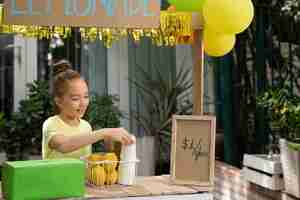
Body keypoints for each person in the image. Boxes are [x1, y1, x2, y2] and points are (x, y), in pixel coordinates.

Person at [42, 60, 134, 159]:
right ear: (58, 101)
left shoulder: (86, 126)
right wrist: (104, 132)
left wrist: (109, 144)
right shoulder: (51, 124)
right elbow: (64, 145)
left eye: (86, 96)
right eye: (75, 99)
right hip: (57, 175)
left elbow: (86, 161)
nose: (83, 103)